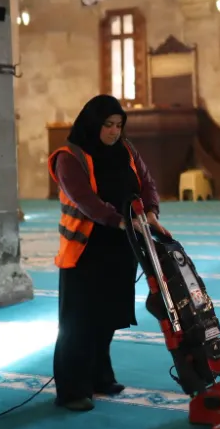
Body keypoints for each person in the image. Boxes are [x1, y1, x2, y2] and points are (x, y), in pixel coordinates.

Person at [46, 94, 169, 412]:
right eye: (108, 125)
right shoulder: (69, 157)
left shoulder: (126, 149)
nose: (114, 131)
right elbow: (86, 201)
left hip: (121, 246)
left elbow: (146, 183)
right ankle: (72, 390)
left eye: (118, 125)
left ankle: (100, 378)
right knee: (79, 322)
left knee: (106, 317)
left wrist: (151, 212)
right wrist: (122, 221)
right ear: (92, 124)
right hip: (85, 251)